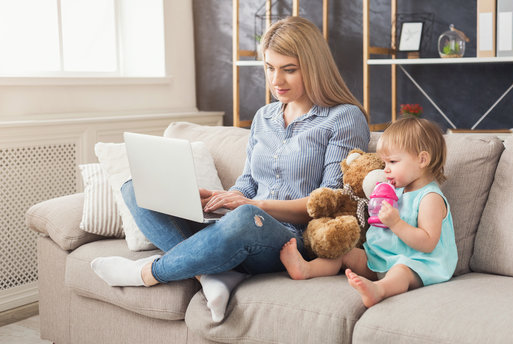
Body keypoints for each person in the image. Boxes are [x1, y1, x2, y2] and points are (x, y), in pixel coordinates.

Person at [90, 16, 370, 322]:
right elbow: (248, 181)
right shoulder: (264, 117)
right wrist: (223, 197)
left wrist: (252, 205)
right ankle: (210, 275)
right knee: (136, 188)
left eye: (289, 70)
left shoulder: (344, 118)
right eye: (269, 67)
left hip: (291, 240)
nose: (276, 81)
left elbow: (327, 205)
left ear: (314, 67)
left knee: (246, 218)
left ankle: (148, 272)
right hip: (240, 224)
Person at [280, 116, 458, 308]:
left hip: (421, 264)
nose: (386, 169)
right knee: (345, 254)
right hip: (382, 259)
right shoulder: (397, 190)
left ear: (422, 159)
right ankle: (306, 269)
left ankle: (378, 290)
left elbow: (428, 243)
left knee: (402, 270)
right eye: (385, 163)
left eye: (392, 162)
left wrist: (396, 223)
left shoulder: (430, 197)